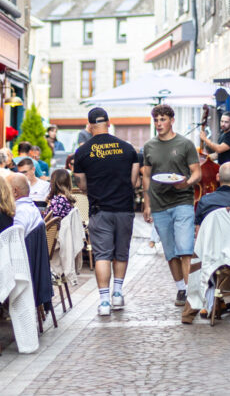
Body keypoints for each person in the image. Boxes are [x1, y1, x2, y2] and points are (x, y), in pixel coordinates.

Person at [74, 107, 140, 316]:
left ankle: (104, 302)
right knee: (121, 253)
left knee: (102, 255)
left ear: (90, 125)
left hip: (99, 209)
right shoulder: (128, 149)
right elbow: (133, 181)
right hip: (124, 208)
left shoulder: (82, 152)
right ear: (109, 124)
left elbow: (81, 184)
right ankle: (118, 294)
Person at [142, 103, 201, 308]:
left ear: (172, 120)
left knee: (185, 249)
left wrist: (186, 182)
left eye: (163, 119)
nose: (159, 123)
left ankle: (192, 295)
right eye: (156, 120)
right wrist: (147, 203)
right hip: (159, 204)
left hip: (182, 200)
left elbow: (197, 172)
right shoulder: (149, 146)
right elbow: (146, 176)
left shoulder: (185, 144)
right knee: (171, 252)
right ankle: (182, 289)